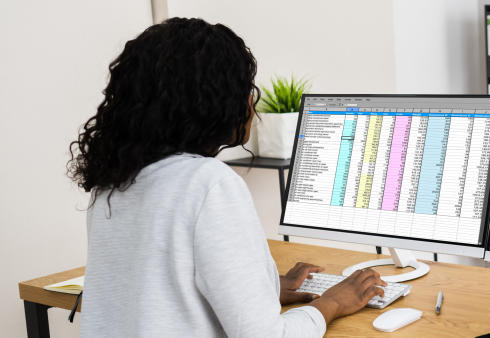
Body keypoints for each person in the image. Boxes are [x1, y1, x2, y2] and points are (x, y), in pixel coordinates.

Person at [68, 18, 385, 337]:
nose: (252, 100)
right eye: (246, 87)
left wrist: (263, 291)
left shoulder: (112, 182)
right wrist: (333, 302)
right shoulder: (206, 183)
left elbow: (159, 298)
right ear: (215, 100)